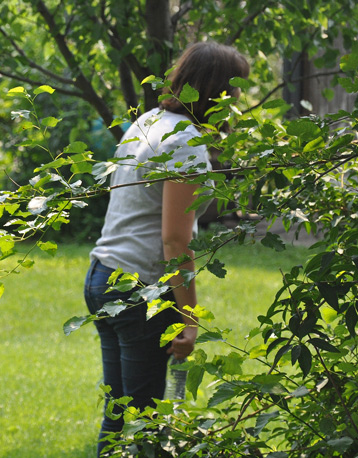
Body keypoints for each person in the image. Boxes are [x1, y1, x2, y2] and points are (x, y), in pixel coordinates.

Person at [84, 41, 250, 456]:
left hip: (103, 276)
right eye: (237, 92)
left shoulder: (148, 121)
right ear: (219, 91)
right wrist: (190, 319)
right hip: (137, 287)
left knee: (120, 411)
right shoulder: (183, 143)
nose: (239, 102)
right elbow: (175, 239)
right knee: (147, 423)